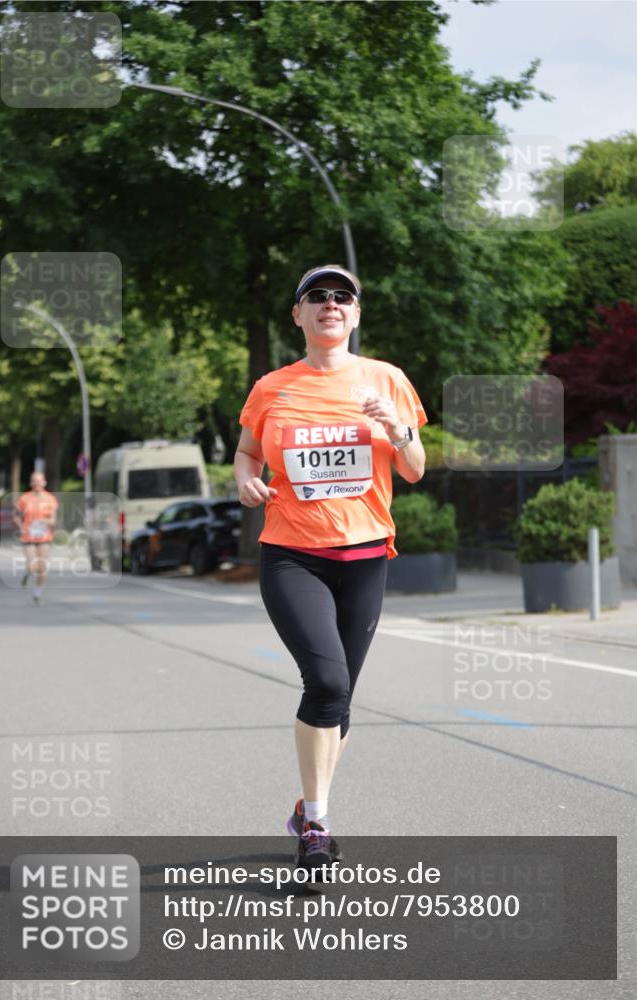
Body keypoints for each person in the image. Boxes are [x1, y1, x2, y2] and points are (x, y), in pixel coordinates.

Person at [234, 264, 427, 875]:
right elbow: (245, 452)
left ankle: (305, 803)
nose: (331, 304)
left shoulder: (386, 380)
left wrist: (396, 431)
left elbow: (416, 468)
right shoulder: (272, 388)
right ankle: (316, 826)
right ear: (299, 315)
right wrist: (245, 480)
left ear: (356, 313)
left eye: (342, 296)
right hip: (292, 555)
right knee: (328, 684)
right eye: (317, 297)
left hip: (367, 555)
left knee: (340, 703)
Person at [14, 471, 59, 604]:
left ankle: (37, 592)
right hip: (28, 536)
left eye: (39, 481)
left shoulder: (50, 499)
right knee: (32, 565)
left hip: (44, 536)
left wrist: (44, 521)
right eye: (34, 480)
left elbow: (53, 521)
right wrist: (21, 526)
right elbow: (16, 516)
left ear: (44, 482)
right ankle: (27, 574)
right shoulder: (24, 498)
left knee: (42, 567)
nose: (37, 483)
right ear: (31, 482)